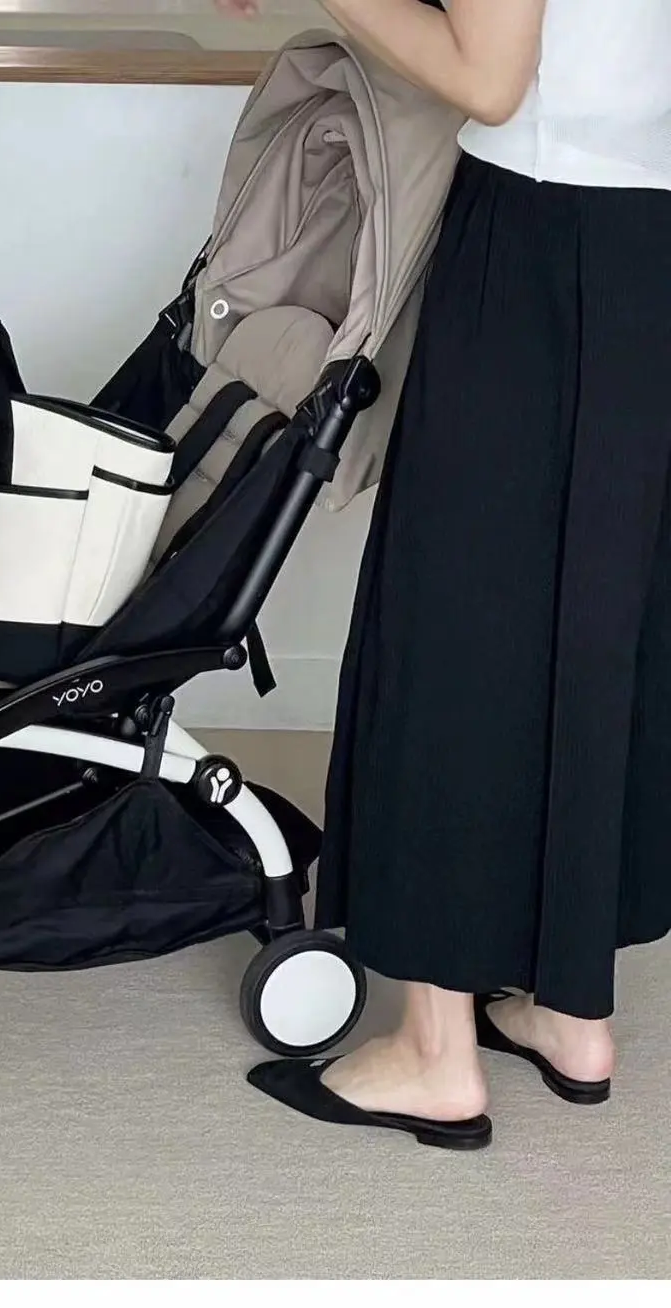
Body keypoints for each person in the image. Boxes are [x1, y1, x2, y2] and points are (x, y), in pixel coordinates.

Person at [218, 0, 671, 1148]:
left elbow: (489, 78)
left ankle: (433, 1051)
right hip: (647, 240)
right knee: (594, 631)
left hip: (534, 234)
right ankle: (568, 1010)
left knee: (450, 631)